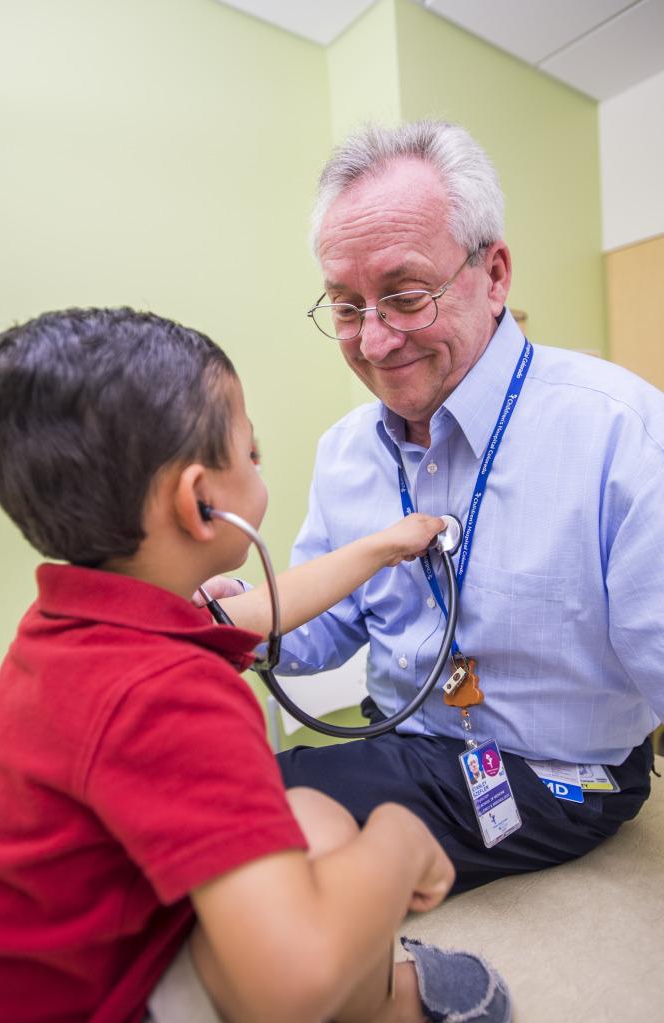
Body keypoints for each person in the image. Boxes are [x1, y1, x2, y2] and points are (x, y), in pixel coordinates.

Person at [0, 307, 516, 1023]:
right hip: (97, 1002)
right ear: (201, 503)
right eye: (252, 452)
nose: (260, 464)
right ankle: (387, 1008)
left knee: (312, 816)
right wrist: (399, 840)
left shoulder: (76, 629)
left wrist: (384, 546)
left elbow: (257, 612)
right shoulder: (173, 694)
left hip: (58, 961)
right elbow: (289, 984)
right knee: (344, 853)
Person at [208, 119, 663, 894]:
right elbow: (320, 635)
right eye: (345, 308)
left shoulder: (621, 432)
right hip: (403, 739)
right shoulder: (345, 451)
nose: (374, 341)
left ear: (494, 274)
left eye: (405, 297)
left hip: (561, 774)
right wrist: (241, 613)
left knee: (243, 818)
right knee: (217, 789)